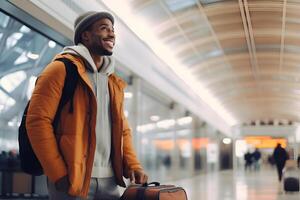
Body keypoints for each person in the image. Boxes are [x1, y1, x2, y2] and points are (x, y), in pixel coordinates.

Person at [26, 11, 148, 199]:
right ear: (86, 35)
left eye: (113, 30)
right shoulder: (60, 69)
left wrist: (133, 165)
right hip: (73, 179)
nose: (112, 33)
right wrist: (57, 172)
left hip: (110, 182)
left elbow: (123, 129)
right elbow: (38, 122)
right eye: (104, 28)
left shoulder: (113, 82)